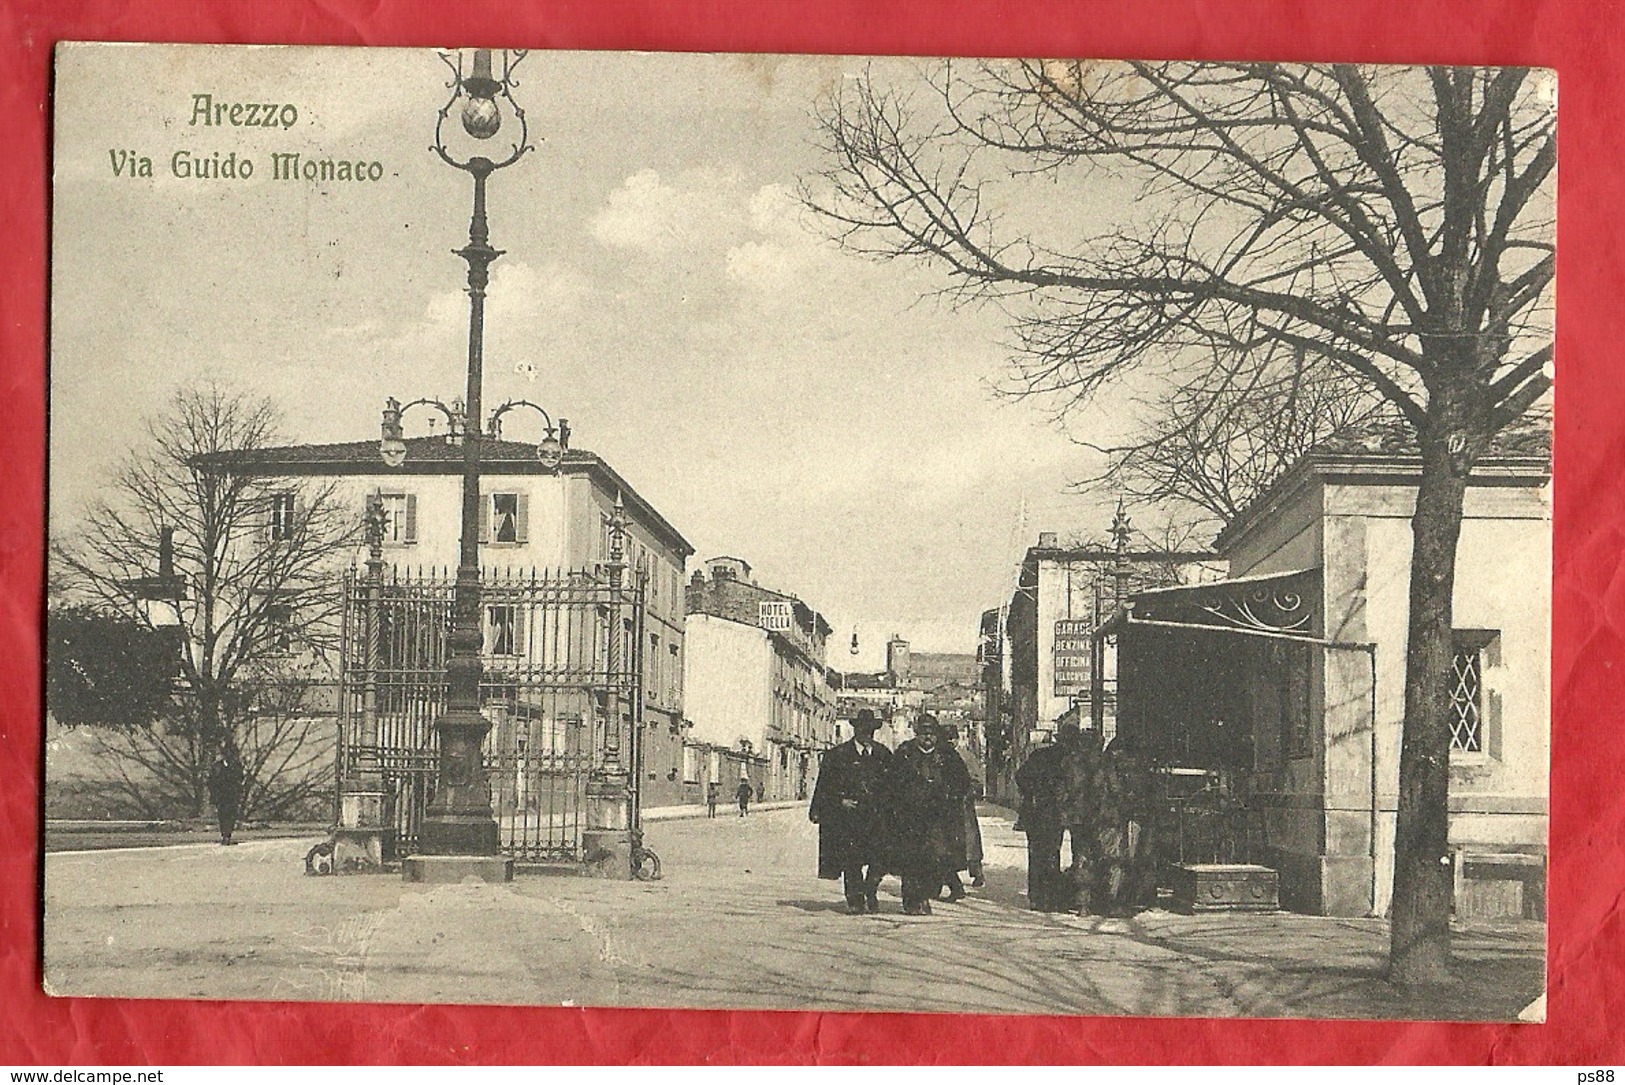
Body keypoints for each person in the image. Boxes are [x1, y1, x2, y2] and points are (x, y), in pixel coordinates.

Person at [809, 709, 893, 914]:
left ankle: (870, 888)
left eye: (871, 731)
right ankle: (855, 900)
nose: (868, 735)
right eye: (864, 731)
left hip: (877, 818)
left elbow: (894, 786)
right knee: (852, 861)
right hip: (849, 819)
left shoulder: (883, 755)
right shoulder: (837, 755)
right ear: (856, 730)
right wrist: (839, 801)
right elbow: (824, 786)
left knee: (879, 859)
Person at [887, 714, 973, 915]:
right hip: (910, 818)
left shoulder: (948, 756)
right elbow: (891, 782)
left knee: (934, 860)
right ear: (916, 734)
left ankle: (924, 896)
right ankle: (912, 901)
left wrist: (948, 797)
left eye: (931, 733)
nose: (927, 737)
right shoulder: (904, 753)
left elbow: (963, 782)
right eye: (923, 733)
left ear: (937, 735)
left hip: (939, 819)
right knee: (910, 861)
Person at [1015, 719, 1099, 912]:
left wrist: (1031, 794)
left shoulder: (1040, 754)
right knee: (1053, 853)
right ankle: (1051, 897)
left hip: (1039, 811)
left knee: (1039, 855)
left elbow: (1020, 776)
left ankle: (1038, 897)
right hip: (1054, 811)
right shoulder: (1073, 759)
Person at [1094, 735, 1155, 916]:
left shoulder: (1103, 766)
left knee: (1111, 857)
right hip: (1128, 817)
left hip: (1108, 818)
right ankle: (1120, 901)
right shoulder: (1135, 768)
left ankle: (1109, 900)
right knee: (1125, 858)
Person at [938, 726, 984, 902]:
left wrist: (967, 794)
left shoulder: (966, 756)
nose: (950, 741)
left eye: (953, 738)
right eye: (947, 738)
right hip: (949, 806)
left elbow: (978, 780)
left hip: (964, 804)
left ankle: (977, 873)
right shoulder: (942, 754)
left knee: (970, 840)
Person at [207, 741, 246, 846]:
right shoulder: (217, 766)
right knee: (223, 815)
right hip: (222, 795)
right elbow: (211, 781)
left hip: (232, 794)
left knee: (231, 815)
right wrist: (214, 794)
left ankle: (227, 835)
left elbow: (241, 778)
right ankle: (225, 835)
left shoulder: (237, 765)